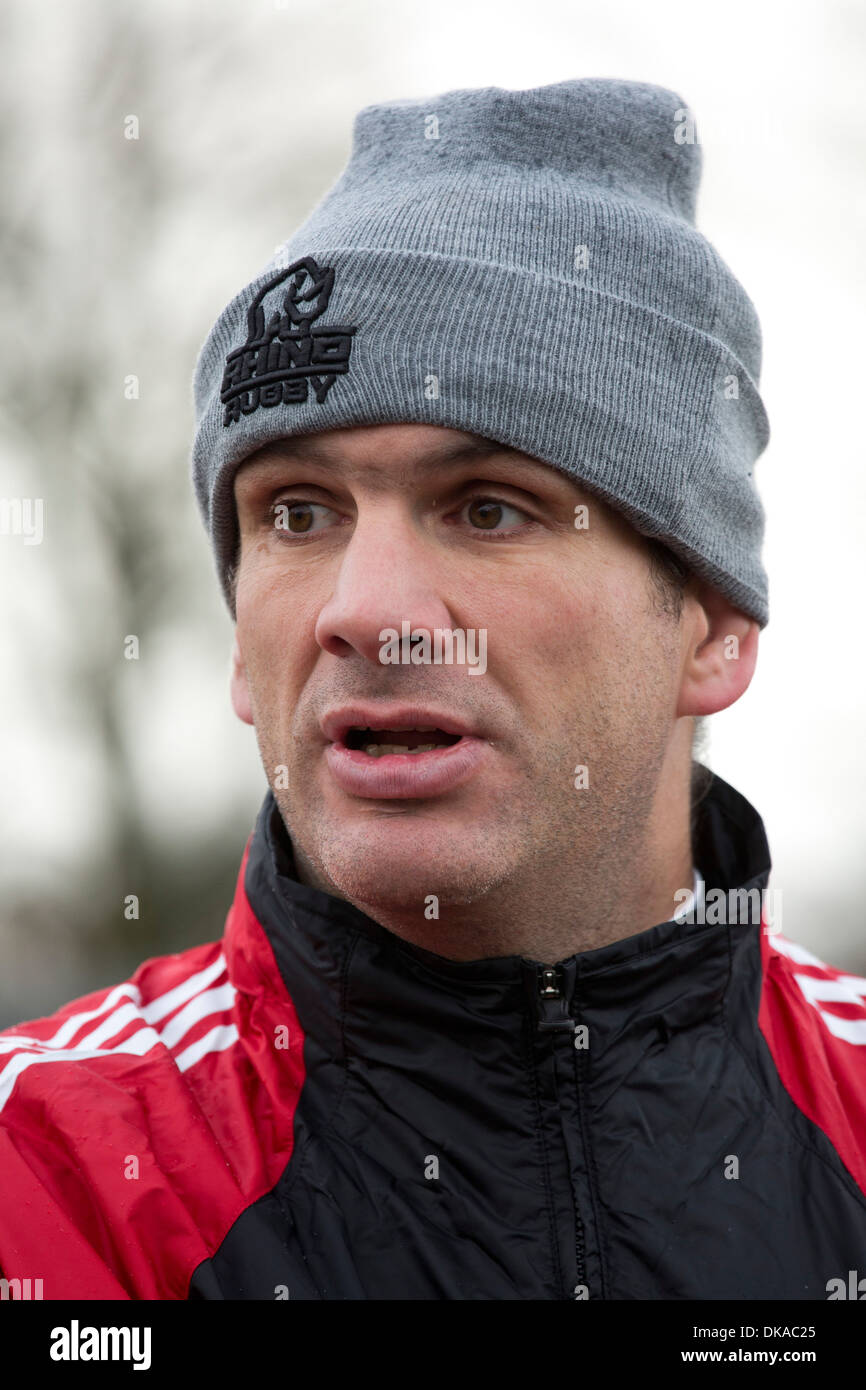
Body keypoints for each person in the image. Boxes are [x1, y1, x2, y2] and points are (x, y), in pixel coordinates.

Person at [1, 77, 864, 1303]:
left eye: (488, 508)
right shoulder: (44, 1169)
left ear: (711, 628)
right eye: (296, 513)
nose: (363, 610)